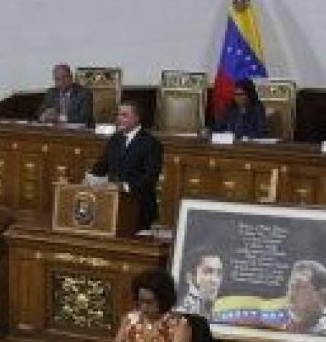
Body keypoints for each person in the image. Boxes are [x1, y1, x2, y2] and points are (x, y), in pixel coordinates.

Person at [88, 100, 163, 231]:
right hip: (112, 204)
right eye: (118, 115)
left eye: (124, 115)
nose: (119, 119)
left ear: (137, 118)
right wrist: (88, 179)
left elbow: (150, 178)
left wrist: (124, 186)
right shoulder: (115, 139)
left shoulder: (151, 143)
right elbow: (101, 167)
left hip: (138, 207)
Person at [106, 268, 191, 342]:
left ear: (163, 300)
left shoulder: (180, 324)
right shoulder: (130, 319)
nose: (144, 307)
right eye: (140, 301)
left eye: (149, 302)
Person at [179, 246, 224, 319]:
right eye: (207, 272)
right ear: (190, 277)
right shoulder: (181, 314)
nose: (215, 280)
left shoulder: (217, 314)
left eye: (219, 273)